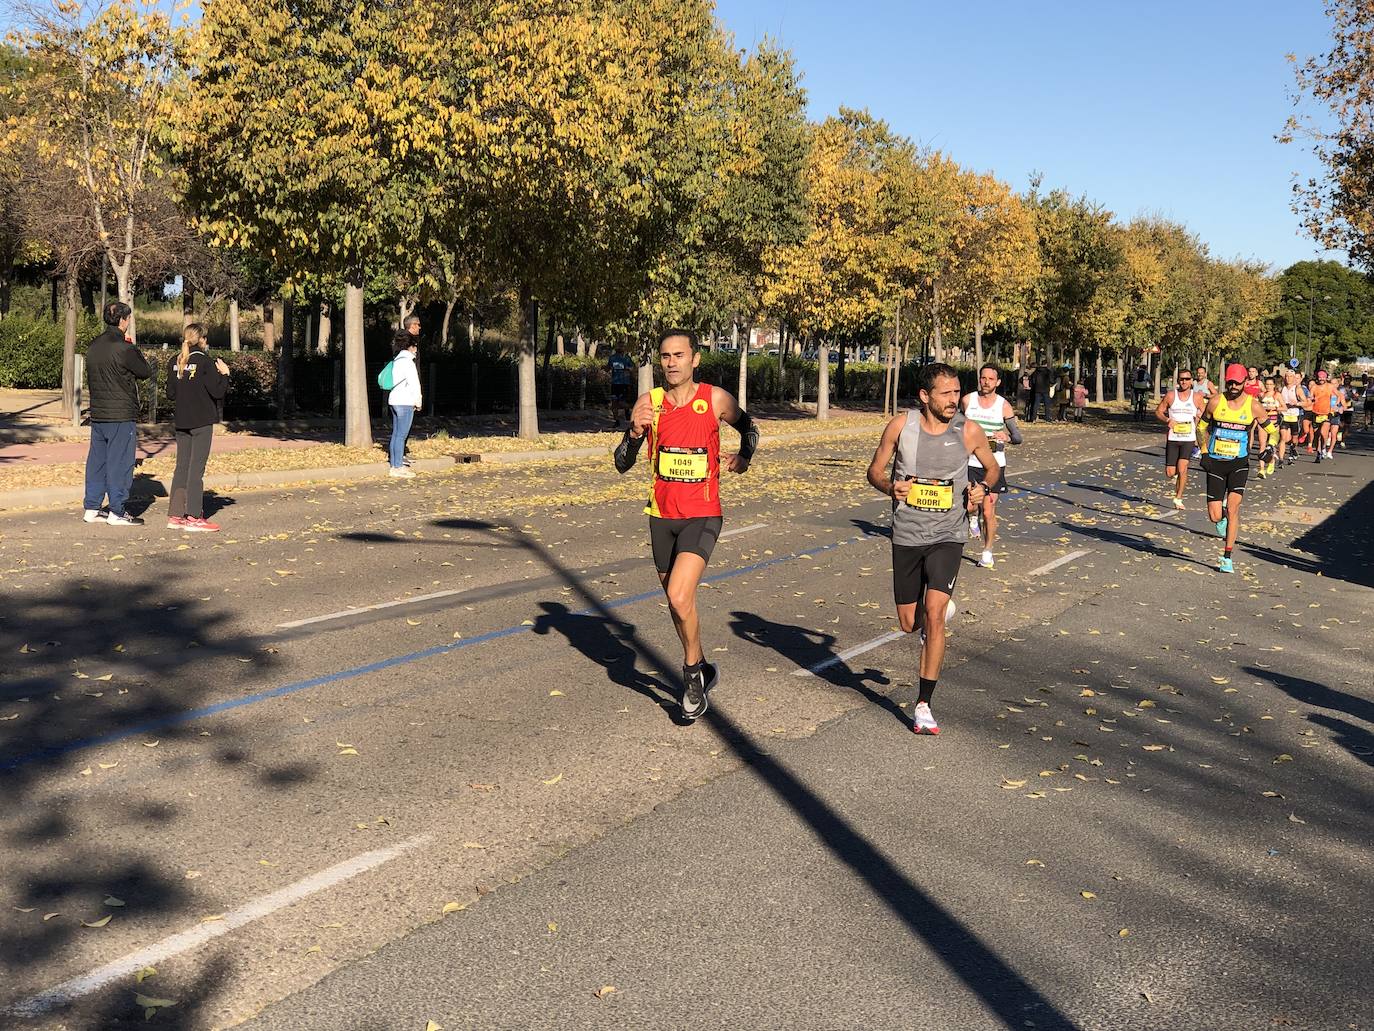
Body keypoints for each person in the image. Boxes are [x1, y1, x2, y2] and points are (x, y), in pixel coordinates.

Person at [613, 329, 757, 722]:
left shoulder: (714, 399)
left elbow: (750, 428)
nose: (672, 362)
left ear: (695, 359)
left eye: (679, 355)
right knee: (680, 605)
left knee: (678, 596)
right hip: (661, 517)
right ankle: (702, 664)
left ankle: (692, 676)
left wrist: (744, 456)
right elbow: (622, 463)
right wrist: (634, 432)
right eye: (665, 356)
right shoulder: (650, 403)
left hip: (703, 512)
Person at [867, 362, 999, 735]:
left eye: (957, 392)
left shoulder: (968, 431)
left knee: (936, 613)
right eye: (946, 393)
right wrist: (889, 487)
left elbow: (991, 469)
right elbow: (875, 471)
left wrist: (981, 489)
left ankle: (924, 704)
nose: (954, 400)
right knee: (909, 624)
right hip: (907, 535)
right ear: (925, 396)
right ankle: (925, 624)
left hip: (948, 535)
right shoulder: (900, 426)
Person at [83, 300, 151, 526]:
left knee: (97, 461)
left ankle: (92, 507)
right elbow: (144, 371)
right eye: (128, 318)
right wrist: (134, 349)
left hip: (99, 412)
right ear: (123, 320)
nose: (129, 321)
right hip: (120, 413)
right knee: (120, 462)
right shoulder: (124, 347)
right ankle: (117, 511)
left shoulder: (93, 346)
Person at [1196, 363, 1265, 574]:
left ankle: (1227, 556)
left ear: (1245, 382)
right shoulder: (1216, 401)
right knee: (1215, 516)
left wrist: (1269, 448)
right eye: (1230, 382)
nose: (1234, 385)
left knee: (1234, 508)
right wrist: (1204, 452)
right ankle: (1222, 518)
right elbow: (1201, 427)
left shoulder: (1253, 405)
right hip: (1215, 463)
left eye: (1238, 382)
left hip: (1239, 464)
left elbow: (1271, 428)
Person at [164, 323, 230, 531]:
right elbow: (217, 391)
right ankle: (193, 516)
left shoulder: (175, 361)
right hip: (201, 421)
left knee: (181, 467)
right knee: (196, 469)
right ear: (201, 340)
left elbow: (171, 393)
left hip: (182, 422)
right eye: (206, 339)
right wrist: (225, 374)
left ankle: (175, 515)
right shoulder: (205, 362)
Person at [961, 363, 1022, 568]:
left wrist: (1006, 436)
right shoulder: (968, 401)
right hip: (970, 461)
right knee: (970, 504)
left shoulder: (1003, 405)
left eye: (990, 379)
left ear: (998, 382)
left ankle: (987, 552)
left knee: (988, 510)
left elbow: (1018, 437)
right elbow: (955, 427)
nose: (985, 382)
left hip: (994, 465)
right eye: (982, 378)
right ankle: (972, 516)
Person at [1155, 369, 1204, 509]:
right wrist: (1167, 419)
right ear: (1178, 381)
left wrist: (1201, 421)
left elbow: (1206, 414)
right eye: (1182, 379)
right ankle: (1177, 478)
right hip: (1173, 438)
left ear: (1191, 380)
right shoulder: (1171, 396)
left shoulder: (1197, 397)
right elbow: (1158, 411)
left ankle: (1178, 498)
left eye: (1187, 379)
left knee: (1183, 468)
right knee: (1170, 472)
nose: (1184, 381)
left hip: (1188, 438)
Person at [386, 333, 422, 478]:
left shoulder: (396, 361)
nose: (416, 349)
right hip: (405, 401)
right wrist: (418, 401)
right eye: (415, 346)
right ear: (410, 346)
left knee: (395, 434)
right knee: (402, 435)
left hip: (394, 400)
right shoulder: (409, 363)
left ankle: (394, 463)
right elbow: (414, 384)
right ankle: (398, 467)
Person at [1278, 369, 1306, 467]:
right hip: (1284, 416)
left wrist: (1297, 403)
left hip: (1294, 416)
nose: (1288, 378)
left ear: (1294, 378)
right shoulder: (1282, 388)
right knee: (1283, 438)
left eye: (1291, 376)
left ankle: (1292, 450)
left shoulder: (1297, 389)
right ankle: (1281, 460)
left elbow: (1306, 402)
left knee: (1294, 438)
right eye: (1287, 376)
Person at [1309, 369, 1336, 461]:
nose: (1321, 379)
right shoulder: (1314, 387)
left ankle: (1324, 447)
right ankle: (1319, 452)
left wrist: (1334, 406)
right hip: (1316, 413)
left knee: (1323, 433)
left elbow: (1336, 396)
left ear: (1326, 378)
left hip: (1327, 413)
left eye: (1323, 377)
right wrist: (1312, 399)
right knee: (1316, 435)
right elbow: (1310, 396)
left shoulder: (1330, 386)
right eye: (1320, 377)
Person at [1256, 377, 1281, 478]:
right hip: (1263, 421)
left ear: (1274, 385)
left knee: (1270, 446)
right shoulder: (1261, 395)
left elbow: (1284, 407)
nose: (1268, 386)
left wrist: (1274, 407)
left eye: (1271, 384)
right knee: (1262, 445)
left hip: (1274, 422)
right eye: (1267, 384)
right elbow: (1257, 406)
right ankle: (1261, 470)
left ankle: (1271, 461)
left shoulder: (1277, 395)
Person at [608, 344, 635, 427]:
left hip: (624, 383)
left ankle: (628, 410)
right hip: (615, 383)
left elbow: (633, 368)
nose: (619, 348)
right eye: (618, 346)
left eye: (621, 346)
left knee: (622, 402)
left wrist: (625, 368)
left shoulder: (626, 358)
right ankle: (616, 421)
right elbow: (609, 367)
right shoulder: (612, 358)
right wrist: (605, 368)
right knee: (614, 403)